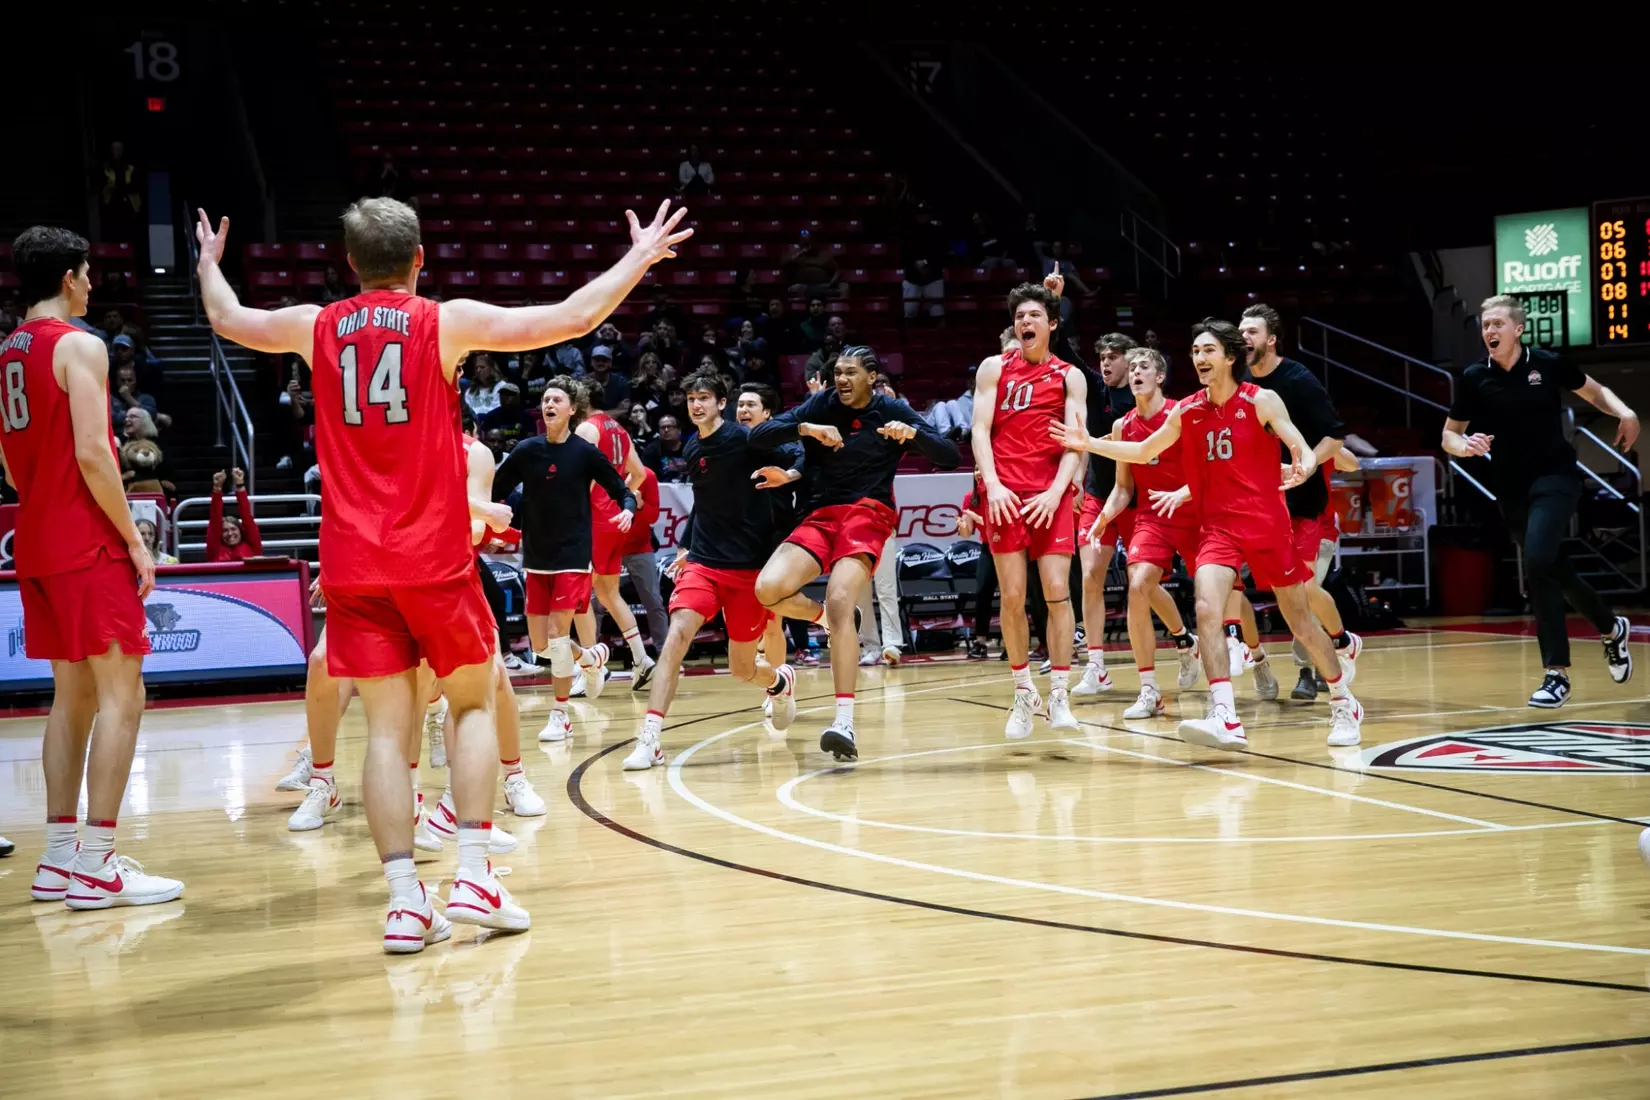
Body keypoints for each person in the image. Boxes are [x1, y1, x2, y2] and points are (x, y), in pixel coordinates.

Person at [194, 195, 691, 952]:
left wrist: (205, 263)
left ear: (351, 264)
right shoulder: (442, 321)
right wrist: (639, 256)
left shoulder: (316, 325)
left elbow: (229, 318)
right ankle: (471, 876)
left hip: (354, 560)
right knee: (470, 703)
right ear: (420, 258)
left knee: (388, 735)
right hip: (430, 553)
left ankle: (403, 903)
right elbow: (570, 318)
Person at [1054, 318, 1363, 750]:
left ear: (1230, 356)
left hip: (1267, 526)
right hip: (1218, 528)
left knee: (1302, 624)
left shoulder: (1262, 400)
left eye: (1208, 350)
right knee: (1206, 607)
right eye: (1195, 351)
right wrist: (1089, 443)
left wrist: (1304, 465)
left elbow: (1300, 446)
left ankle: (1343, 699)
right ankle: (1225, 714)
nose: (1199, 358)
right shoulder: (1188, 410)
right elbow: (1143, 451)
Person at [1, 226, 174, 909]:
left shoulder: (8, 351)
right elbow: (97, 456)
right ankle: (98, 864)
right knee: (122, 697)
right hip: (85, 540)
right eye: (88, 272)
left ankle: (58, 858)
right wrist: (134, 539)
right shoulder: (80, 345)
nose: (94, 283)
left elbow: (11, 462)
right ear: (69, 277)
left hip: (35, 539)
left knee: (69, 699)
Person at [751, 346, 961, 760]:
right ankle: (827, 620)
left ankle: (843, 719)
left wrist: (913, 435)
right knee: (767, 589)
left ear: (870, 376)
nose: (841, 380)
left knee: (841, 598)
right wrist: (807, 429)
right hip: (819, 515)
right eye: (837, 373)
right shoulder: (822, 404)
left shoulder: (891, 410)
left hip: (868, 514)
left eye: (850, 373)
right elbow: (759, 435)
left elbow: (949, 454)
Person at [1443, 295, 1635, 707]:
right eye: (1485, 326)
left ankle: (1556, 673)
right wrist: (1465, 446)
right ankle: (1610, 626)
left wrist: (1626, 413)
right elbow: (1449, 435)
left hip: (1556, 477)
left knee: (1537, 560)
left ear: (1518, 329)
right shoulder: (1476, 377)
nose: (1489, 332)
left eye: (1497, 324)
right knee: (1549, 564)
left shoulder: (1547, 363)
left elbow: (1594, 392)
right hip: (1510, 486)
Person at [624, 371, 799, 770]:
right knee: (675, 638)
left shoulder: (746, 439)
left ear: (722, 403)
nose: (696, 405)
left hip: (747, 571)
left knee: (741, 669)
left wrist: (789, 475)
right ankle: (650, 739)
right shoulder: (691, 448)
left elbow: (798, 455)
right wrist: (688, 546)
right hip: (704, 565)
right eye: (690, 399)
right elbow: (705, 504)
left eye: (704, 397)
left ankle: (778, 683)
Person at [969, 283, 1087, 738]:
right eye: (1020, 317)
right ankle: (1023, 692)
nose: (1025, 323)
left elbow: (1076, 443)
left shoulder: (1069, 376)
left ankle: (1059, 693)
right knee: (1013, 597)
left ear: (1052, 324)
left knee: (1057, 590)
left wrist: (1057, 493)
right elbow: (980, 432)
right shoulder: (993, 368)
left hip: (1050, 497)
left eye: (1035, 315)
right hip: (1005, 497)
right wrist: (993, 486)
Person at [493, 377, 636, 741]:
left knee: (558, 637)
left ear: (572, 409)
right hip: (536, 558)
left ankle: (560, 715)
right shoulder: (526, 451)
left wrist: (628, 510)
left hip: (572, 557)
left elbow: (621, 489)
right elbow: (494, 490)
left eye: (556, 399)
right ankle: (590, 659)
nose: (549, 405)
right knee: (540, 646)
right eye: (544, 400)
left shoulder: (584, 453)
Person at [1238, 304, 1362, 701]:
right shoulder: (1238, 383)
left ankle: (1333, 651)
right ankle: (1335, 646)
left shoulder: (1298, 379)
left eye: (1252, 332)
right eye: (1240, 331)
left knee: (1303, 589)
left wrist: (1306, 465)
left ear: (1271, 338)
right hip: (1263, 506)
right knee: (1285, 592)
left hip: (1307, 504)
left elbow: (1336, 440)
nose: (1244, 338)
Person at [1082, 348, 1202, 718]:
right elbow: (1122, 488)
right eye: (1131, 367)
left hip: (1193, 509)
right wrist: (1104, 517)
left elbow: (1204, 470)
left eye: (1143, 367)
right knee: (1138, 585)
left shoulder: (1181, 413)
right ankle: (1150, 689)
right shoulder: (1122, 426)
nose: (1135, 372)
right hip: (1153, 516)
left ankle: (1252, 657)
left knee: (1222, 598)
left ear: (1159, 376)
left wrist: (1184, 495)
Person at [575, 383, 657, 686]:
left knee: (579, 597)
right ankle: (641, 657)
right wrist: (623, 497)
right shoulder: (619, 430)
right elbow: (640, 473)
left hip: (594, 521)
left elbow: (580, 483)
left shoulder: (587, 429)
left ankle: (591, 668)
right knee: (609, 593)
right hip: (616, 521)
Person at [1072, 331, 1139, 694]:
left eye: (1114, 356)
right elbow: (1068, 352)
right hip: (1100, 494)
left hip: (1138, 500)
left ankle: (1181, 639)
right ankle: (1096, 665)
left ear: (1131, 360)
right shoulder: (1097, 390)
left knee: (1143, 585)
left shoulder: (1143, 395)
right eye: (1103, 357)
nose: (1106, 362)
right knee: (1090, 575)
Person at [735, 382, 812, 677]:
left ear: (766, 413)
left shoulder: (782, 446)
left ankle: (778, 685)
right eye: (740, 405)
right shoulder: (730, 443)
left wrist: (790, 475)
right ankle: (765, 668)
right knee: (747, 618)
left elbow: (807, 458)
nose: (743, 410)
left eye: (750, 405)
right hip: (739, 539)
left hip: (775, 536)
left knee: (773, 619)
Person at [619, 462, 670, 672]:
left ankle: (667, 656)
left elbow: (653, 516)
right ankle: (593, 661)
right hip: (610, 548)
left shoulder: (648, 475)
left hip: (640, 548)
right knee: (596, 605)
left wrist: (640, 505)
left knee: (654, 602)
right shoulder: (605, 473)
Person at [207, 467, 265, 561]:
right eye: (225, 530)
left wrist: (240, 485)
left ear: (240, 531)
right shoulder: (215, 550)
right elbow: (215, 519)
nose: (230, 533)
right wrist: (217, 488)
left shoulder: (252, 547)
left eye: (233, 529)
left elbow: (247, 517)